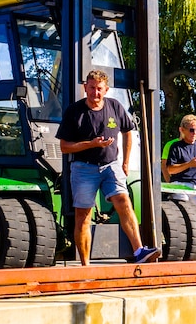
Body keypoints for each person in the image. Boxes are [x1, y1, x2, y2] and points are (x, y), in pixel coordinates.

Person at [58, 70, 159, 265]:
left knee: (123, 200)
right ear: (85, 87)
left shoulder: (115, 106)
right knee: (84, 214)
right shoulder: (74, 111)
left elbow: (128, 132)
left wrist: (125, 162)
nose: (95, 93)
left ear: (106, 90)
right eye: (92, 88)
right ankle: (85, 265)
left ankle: (139, 251)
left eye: (99, 89)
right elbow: (64, 146)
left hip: (111, 165)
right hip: (83, 168)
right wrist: (91, 144)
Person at [164, 114, 196, 260]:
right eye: (192, 130)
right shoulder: (176, 147)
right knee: (186, 224)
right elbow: (170, 169)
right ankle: (184, 256)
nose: (195, 133)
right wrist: (189, 164)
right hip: (181, 186)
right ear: (182, 130)